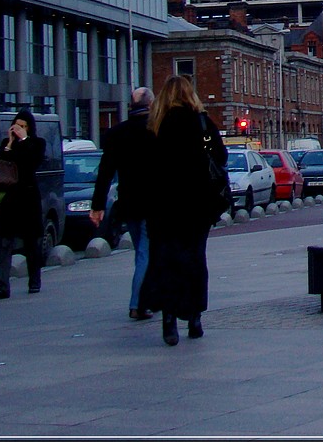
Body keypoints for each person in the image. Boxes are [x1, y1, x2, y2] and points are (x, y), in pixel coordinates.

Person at [139, 76, 226, 346]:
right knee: (195, 258)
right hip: (197, 203)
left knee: (166, 261)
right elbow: (219, 156)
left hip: (163, 205)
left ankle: (169, 319)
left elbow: (145, 167)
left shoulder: (155, 126)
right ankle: (194, 317)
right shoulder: (202, 123)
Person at [90, 87, 157, 321]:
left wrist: (97, 205)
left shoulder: (116, 133)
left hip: (128, 201)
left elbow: (105, 172)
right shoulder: (157, 130)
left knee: (141, 251)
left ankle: (144, 299)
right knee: (146, 252)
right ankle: (138, 302)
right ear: (150, 105)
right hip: (153, 202)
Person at [0, 108, 46, 299]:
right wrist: (10, 143)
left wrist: (24, 140)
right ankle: (1, 286)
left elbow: (32, 162)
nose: (19, 129)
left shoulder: (37, 143)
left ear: (29, 128)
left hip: (28, 199)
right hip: (9, 200)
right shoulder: (7, 144)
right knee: (5, 242)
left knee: (31, 243)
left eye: (23, 126)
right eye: (16, 126)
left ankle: (34, 281)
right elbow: (1, 165)